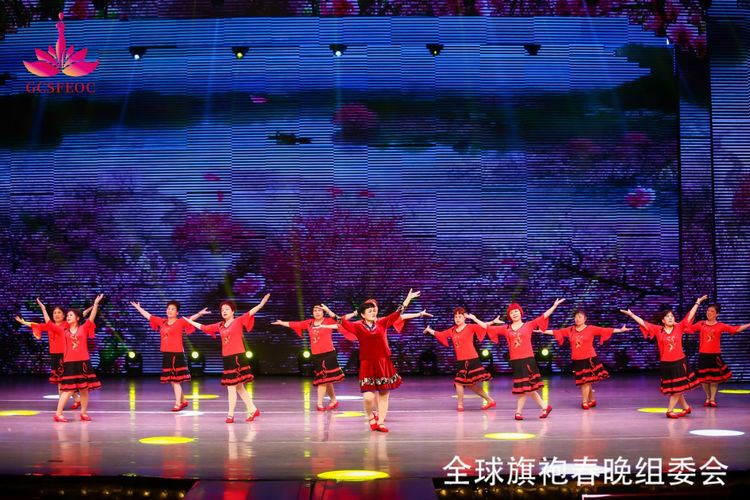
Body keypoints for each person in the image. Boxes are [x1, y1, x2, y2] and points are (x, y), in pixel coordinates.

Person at [184, 294, 270, 423]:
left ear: (233, 311)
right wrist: (190, 322)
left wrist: (261, 304)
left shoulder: (238, 321)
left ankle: (230, 415)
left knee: (231, 387)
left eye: (227, 309)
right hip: (227, 359)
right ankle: (253, 409)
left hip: (238, 358)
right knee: (239, 387)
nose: (224, 311)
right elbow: (205, 328)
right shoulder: (220, 325)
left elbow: (251, 312)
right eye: (222, 310)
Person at [620, 295, 708, 418]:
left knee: (678, 389)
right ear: (663, 320)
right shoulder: (658, 330)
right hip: (666, 364)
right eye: (667, 316)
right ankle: (686, 408)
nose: (670, 318)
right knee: (676, 389)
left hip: (679, 363)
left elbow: (689, 316)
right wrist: (631, 315)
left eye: (672, 316)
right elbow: (644, 323)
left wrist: (697, 303)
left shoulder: (679, 327)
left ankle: (670, 410)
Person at [486, 299, 566, 420]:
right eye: (511, 312)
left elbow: (544, 316)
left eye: (516, 311)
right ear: (509, 315)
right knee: (525, 389)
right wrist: (480, 320)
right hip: (516, 362)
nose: (514, 313)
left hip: (528, 361)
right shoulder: (506, 328)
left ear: (520, 312)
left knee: (525, 388)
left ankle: (520, 412)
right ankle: (544, 407)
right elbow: (487, 328)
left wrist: (554, 306)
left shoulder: (528, 325)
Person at [130, 300, 209, 411]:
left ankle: (178, 403)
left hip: (177, 354)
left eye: (173, 309)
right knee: (172, 380)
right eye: (168, 309)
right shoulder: (162, 322)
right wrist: (139, 308)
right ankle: (183, 401)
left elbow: (191, 318)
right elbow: (148, 316)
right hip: (166, 354)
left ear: (177, 312)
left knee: (176, 380)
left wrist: (200, 313)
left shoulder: (180, 322)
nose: (170, 311)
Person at [424, 307, 495, 411]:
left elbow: (483, 326)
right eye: (456, 317)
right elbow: (442, 334)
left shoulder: (470, 327)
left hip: (472, 360)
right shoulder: (452, 330)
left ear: (464, 318)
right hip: (461, 361)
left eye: (460, 316)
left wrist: (492, 322)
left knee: (459, 383)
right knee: (470, 385)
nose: (457, 319)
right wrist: (429, 330)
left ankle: (460, 405)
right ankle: (490, 400)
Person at [685, 302, 750, 407]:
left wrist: (748, 324)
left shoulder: (720, 325)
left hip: (715, 356)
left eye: (712, 311)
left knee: (714, 379)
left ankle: (712, 399)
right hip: (703, 355)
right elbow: (688, 329)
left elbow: (735, 329)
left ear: (717, 314)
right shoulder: (701, 324)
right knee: (703, 380)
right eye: (708, 310)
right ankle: (707, 397)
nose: (709, 313)